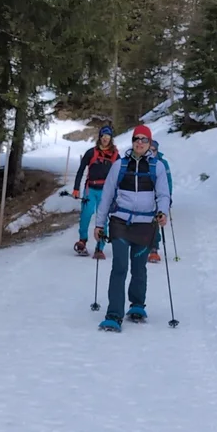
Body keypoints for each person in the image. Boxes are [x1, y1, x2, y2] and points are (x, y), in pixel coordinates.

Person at [93, 123, 171, 331]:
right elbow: (107, 195)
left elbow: (164, 194)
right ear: (133, 142)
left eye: (144, 140)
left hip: (145, 225)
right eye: (137, 139)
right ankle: (114, 314)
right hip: (120, 222)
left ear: (149, 143)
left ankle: (137, 305)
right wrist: (99, 224)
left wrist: (162, 211)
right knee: (119, 267)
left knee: (139, 268)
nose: (140, 143)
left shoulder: (158, 167)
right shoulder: (119, 166)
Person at [70, 124, 118, 256]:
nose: (105, 138)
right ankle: (82, 241)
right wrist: (76, 189)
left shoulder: (115, 155)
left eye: (108, 136)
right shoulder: (91, 152)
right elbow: (80, 170)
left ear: (111, 138)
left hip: (106, 192)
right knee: (85, 215)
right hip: (90, 189)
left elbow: (120, 174)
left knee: (102, 219)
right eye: (103, 136)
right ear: (100, 137)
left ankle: (100, 247)